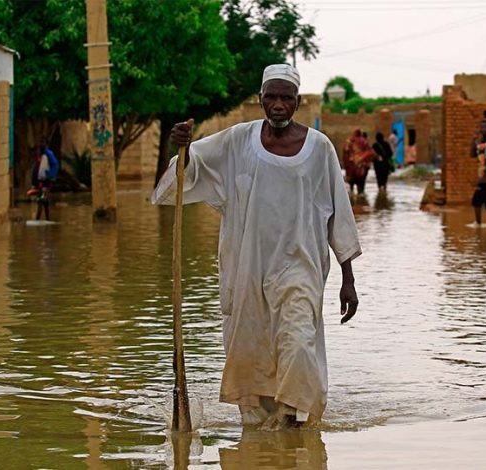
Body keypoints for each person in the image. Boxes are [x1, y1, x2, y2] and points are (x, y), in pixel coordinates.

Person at [152, 64, 361, 428]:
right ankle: (262, 439)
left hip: (301, 268)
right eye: (272, 97)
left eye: (287, 98)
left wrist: (348, 278)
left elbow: (338, 214)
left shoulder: (319, 149)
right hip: (247, 269)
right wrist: (181, 146)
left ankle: (294, 421)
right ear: (260, 99)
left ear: (298, 102)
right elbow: (192, 168)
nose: (278, 104)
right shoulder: (237, 141)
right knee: (252, 350)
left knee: (297, 343)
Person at [29, 138, 59, 221]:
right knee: (44, 202)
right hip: (41, 183)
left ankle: (39, 220)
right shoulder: (42, 156)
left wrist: (49, 176)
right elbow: (36, 172)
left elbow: (54, 166)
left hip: (45, 183)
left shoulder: (47, 155)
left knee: (42, 201)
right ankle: (45, 220)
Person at [342, 128, 374, 195]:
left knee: (351, 182)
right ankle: (360, 195)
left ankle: (352, 193)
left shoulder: (349, 141)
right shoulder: (364, 142)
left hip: (351, 166)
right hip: (361, 166)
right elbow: (370, 152)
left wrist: (346, 163)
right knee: (361, 182)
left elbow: (345, 152)